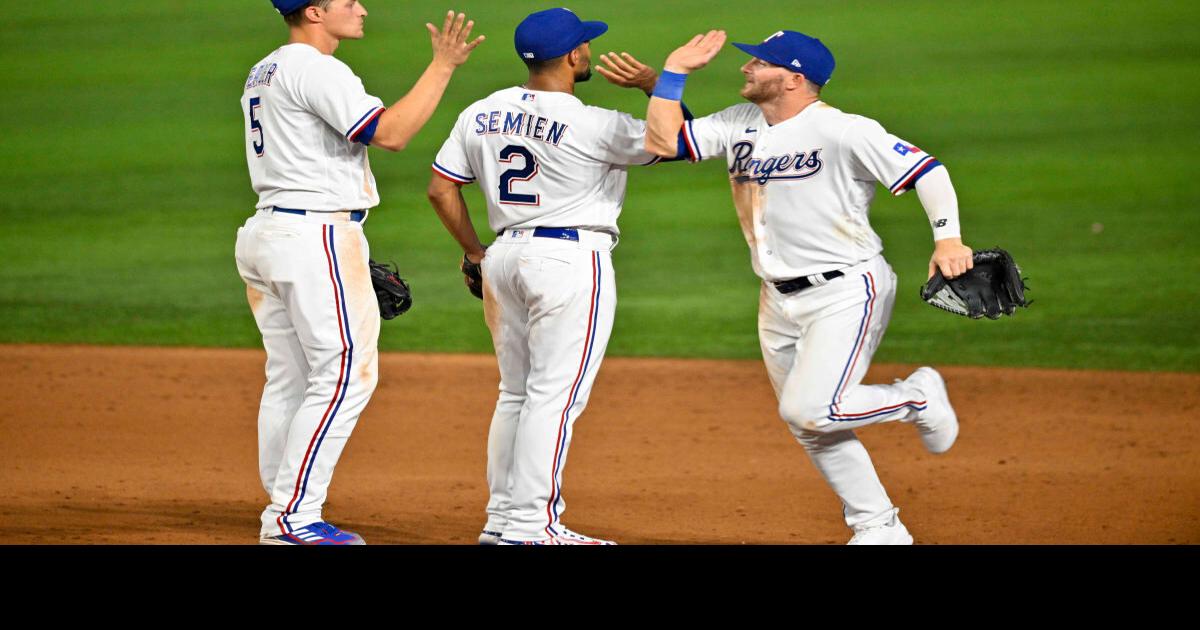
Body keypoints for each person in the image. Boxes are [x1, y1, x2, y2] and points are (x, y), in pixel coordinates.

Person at [642, 30, 970, 544]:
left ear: (794, 78)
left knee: (809, 408)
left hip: (846, 289)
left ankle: (917, 398)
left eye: (760, 62)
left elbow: (926, 170)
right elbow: (664, 142)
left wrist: (947, 239)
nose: (746, 68)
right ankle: (879, 527)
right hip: (776, 297)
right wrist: (669, 76)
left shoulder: (844, 130)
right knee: (810, 426)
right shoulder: (738, 122)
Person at [237, 0, 483, 545]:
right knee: (347, 373)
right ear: (316, 11)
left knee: (292, 376)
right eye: (348, 1)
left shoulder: (266, 69)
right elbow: (390, 133)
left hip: (270, 233)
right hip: (312, 235)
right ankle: (290, 517)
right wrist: (442, 65)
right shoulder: (315, 67)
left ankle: (284, 497)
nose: (363, 8)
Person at [426, 7, 665, 545]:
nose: (590, 51)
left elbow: (441, 189)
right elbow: (673, 142)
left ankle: (504, 519)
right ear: (574, 56)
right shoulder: (595, 123)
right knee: (554, 397)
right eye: (586, 45)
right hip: (568, 261)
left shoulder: (482, 112)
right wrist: (655, 86)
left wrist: (474, 254)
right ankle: (533, 526)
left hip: (503, 257)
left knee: (515, 393)